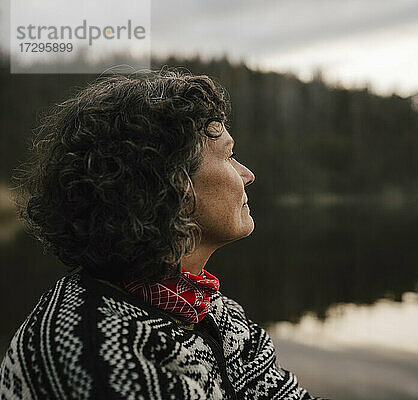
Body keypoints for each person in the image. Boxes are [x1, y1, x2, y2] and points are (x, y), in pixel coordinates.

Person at [0, 69, 323, 399]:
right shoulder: (93, 351)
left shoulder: (213, 311)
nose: (248, 175)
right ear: (174, 184)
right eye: (228, 155)